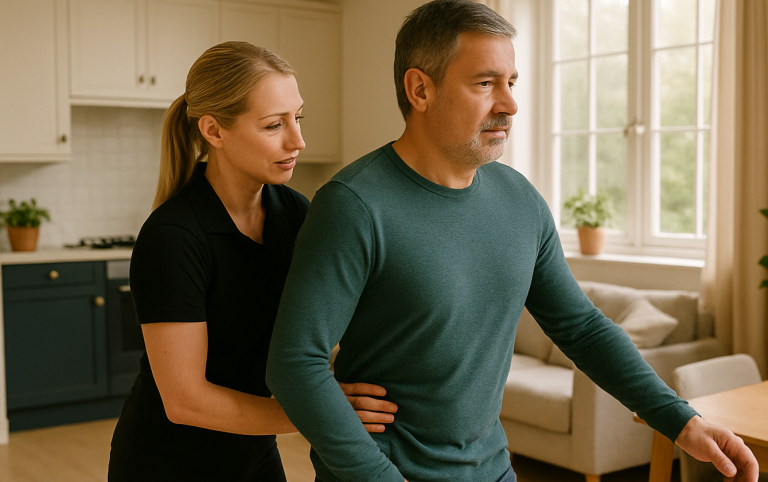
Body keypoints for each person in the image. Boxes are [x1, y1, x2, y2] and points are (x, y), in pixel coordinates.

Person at [264, 1, 760, 481]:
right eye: (485, 83)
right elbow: (294, 363)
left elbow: (581, 328)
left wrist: (682, 422)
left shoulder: (519, 199)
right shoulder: (353, 205)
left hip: (493, 469)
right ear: (419, 88)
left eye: (511, 82)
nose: (510, 104)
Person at [107, 41, 397, 482]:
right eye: (272, 125)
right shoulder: (173, 239)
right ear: (214, 131)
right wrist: (324, 414)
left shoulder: (295, 213)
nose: (298, 140)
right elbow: (185, 400)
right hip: (167, 463)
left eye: (297, 118)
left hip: (254, 453)